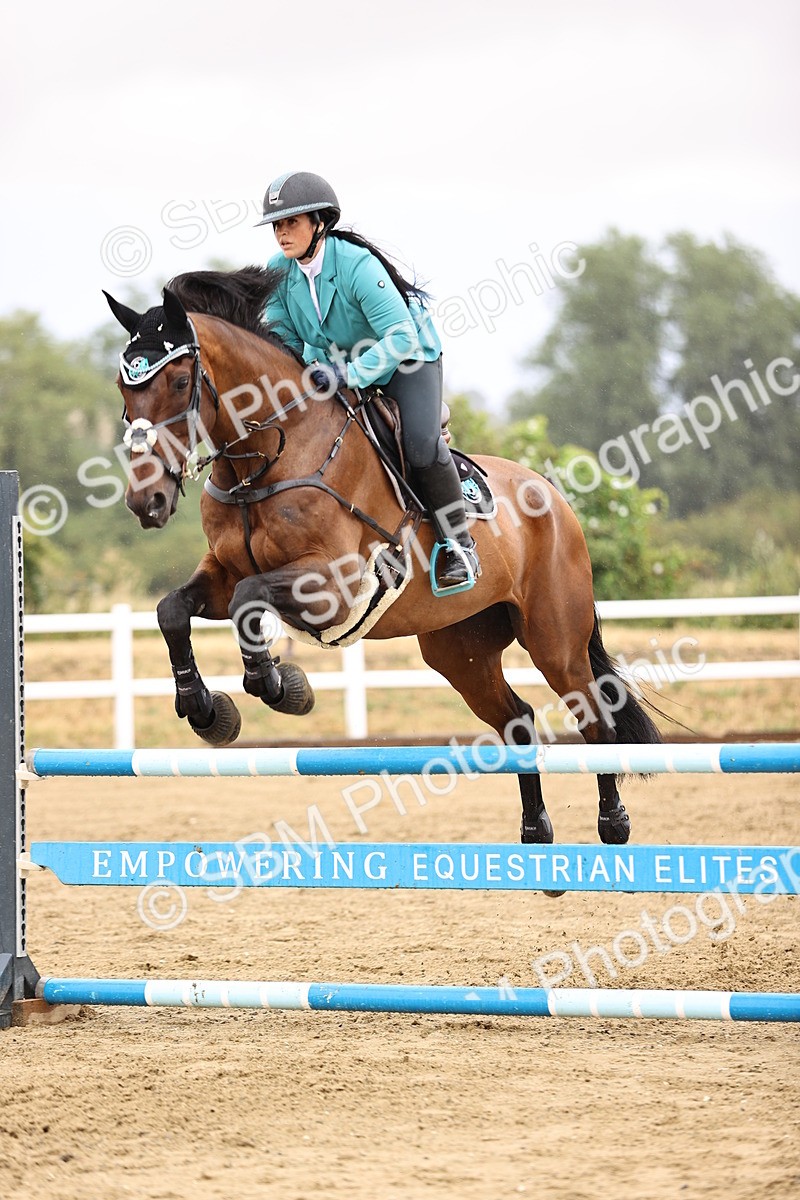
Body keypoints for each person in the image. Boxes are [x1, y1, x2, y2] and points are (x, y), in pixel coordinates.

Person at [256, 170, 480, 593]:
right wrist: (306, 367)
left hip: (407, 359)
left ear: (320, 222)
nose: (282, 233)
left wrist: (346, 374)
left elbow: (400, 337)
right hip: (341, 365)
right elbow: (283, 335)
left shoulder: (356, 265)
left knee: (419, 446)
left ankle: (459, 545)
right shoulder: (279, 271)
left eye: (292, 222)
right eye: (277, 225)